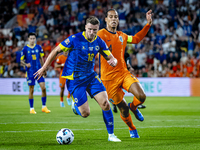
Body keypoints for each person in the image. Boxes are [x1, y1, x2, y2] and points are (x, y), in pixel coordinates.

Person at [34, 16, 121, 142]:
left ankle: (111, 135)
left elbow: (111, 57)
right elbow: (56, 50)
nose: (92, 32)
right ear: (85, 27)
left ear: (98, 30)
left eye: (95, 30)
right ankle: (76, 107)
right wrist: (44, 67)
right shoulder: (75, 39)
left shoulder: (99, 42)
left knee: (105, 103)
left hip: (91, 77)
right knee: (85, 113)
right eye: (90, 29)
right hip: (75, 79)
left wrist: (114, 61)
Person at [97, 9, 152, 138]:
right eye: (111, 17)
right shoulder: (100, 34)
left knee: (141, 96)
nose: (114, 19)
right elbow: (89, 42)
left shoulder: (122, 35)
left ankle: (134, 107)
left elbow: (137, 39)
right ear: (106, 19)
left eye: (116, 16)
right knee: (123, 108)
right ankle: (132, 128)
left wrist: (148, 24)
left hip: (123, 74)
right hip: (108, 80)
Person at [20, 32, 51, 114]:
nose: (32, 40)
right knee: (31, 90)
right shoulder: (25, 49)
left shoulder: (38, 47)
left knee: (43, 88)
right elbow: (21, 61)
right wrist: (25, 64)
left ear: (35, 39)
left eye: (34, 38)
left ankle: (44, 107)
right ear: (28, 39)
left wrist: (44, 69)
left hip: (39, 71)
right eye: (31, 38)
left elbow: (41, 59)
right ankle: (31, 108)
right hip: (30, 72)